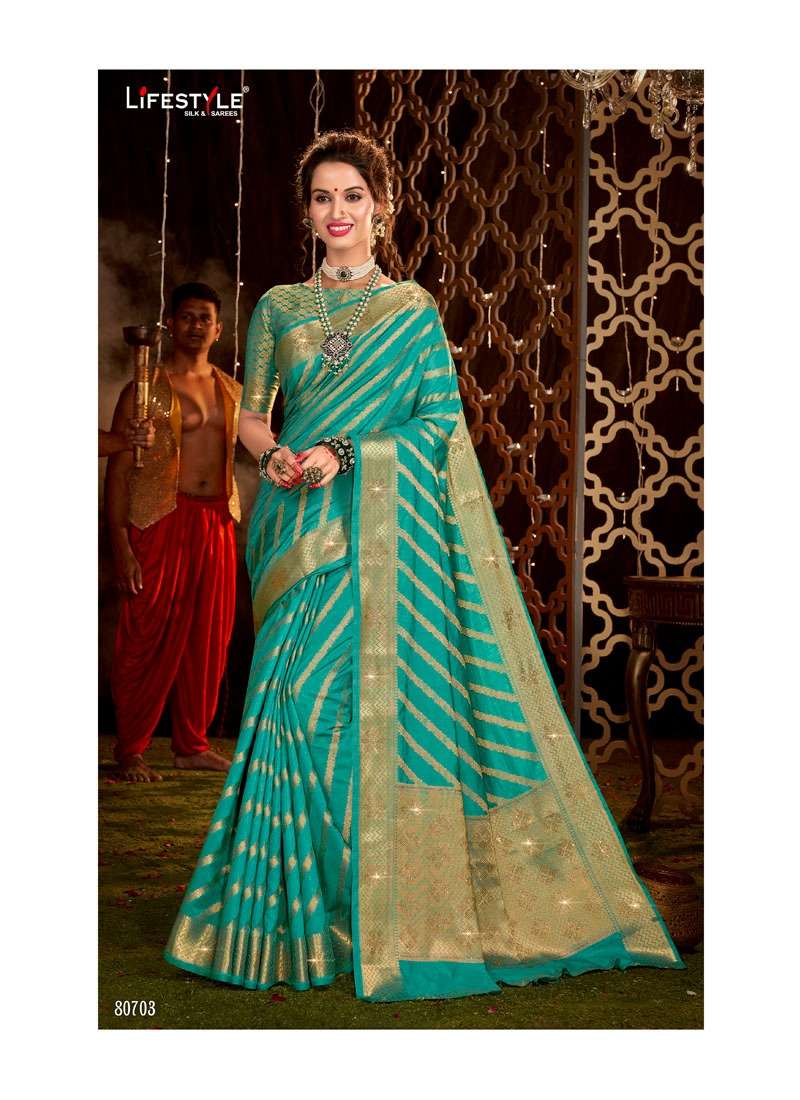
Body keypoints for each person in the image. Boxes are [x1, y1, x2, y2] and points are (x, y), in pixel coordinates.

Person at [164, 131, 685, 1002]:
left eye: (353, 196)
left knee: (358, 713)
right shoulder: (280, 308)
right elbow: (253, 416)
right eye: (323, 198)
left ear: (381, 205)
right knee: (290, 706)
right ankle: (303, 912)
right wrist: (275, 453)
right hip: (298, 527)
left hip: (377, 527)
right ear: (306, 212)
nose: (338, 212)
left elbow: (438, 422)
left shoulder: (411, 310)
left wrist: (345, 451)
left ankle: (376, 907)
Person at [105, 282, 242, 783]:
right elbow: (119, 470)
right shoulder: (144, 391)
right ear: (169, 325)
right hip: (161, 517)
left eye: (205, 318)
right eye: (187, 316)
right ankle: (131, 749)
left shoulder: (235, 392)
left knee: (210, 637)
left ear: (219, 329)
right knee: (145, 637)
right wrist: (120, 544)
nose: (196, 326)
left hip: (217, 521)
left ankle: (192, 745)